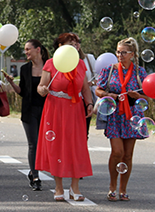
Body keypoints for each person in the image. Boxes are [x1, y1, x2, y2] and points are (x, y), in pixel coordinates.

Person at [36, 33, 93, 202]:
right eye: (71, 43)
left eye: (77, 43)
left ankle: (75, 188)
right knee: (56, 147)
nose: (75, 46)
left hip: (75, 109)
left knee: (76, 146)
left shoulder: (81, 64)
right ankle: (59, 187)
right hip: (54, 108)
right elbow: (41, 86)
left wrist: (89, 104)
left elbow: (85, 89)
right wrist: (43, 90)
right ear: (61, 46)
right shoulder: (51, 63)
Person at [95, 37, 150, 202]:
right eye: (118, 51)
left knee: (127, 156)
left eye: (123, 52)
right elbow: (98, 90)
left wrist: (138, 95)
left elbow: (148, 95)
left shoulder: (140, 72)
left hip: (133, 115)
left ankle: (123, 190)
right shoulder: (109, 70)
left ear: (132, 54)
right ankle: (112, 187)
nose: (120, 55)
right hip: (115, 115)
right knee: (117, 152)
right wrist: (106, 94)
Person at [5, 39, 50, 191]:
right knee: (33, 144)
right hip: (29, 110)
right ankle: (36, 177)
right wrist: (12, 83)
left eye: (28, 49)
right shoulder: (24, 68)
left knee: (45, 144)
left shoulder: (50, 67)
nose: (26, 52)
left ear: (38, 49)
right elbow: (22, 92)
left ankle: (33, 170)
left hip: (47, 110)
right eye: (25, 49)